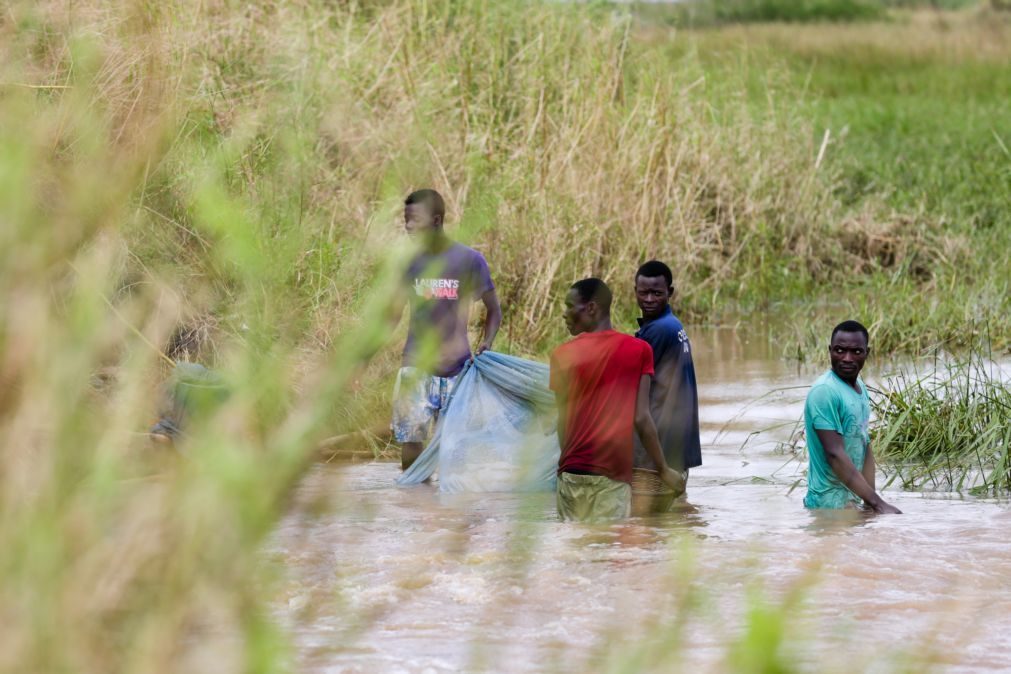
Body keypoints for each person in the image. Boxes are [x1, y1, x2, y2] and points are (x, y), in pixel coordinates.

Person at [549, 278, 684, 521]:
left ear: (591, 308)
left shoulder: (561, 355)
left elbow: (563, 421)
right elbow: (642, 419)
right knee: (609, 551)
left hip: (569, 475)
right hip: (610, 478)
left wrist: (566, 465)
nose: (564, 314)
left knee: (574, 554)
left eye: (570, 306)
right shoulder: (639, 350)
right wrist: (663, 469)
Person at [389, 189, 502, 470]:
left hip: (458, 370)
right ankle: (414, 505)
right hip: (415, 367)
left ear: (437, 221)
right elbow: (391, 317)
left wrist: (486, 343)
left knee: (457, 454)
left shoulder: (469, 261)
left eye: (415, 219)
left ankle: (450, 514)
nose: (409, 227)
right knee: (411, 448)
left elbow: (494, 310)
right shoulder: (408, 262)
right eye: (406, 220)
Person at [803, 320, 901, 513]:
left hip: (852, 503)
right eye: (840, 351)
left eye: (856, 352)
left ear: (867, 353)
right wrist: (878, 503)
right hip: (828, 507)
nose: (847, 358)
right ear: (830, 350)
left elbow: (864, 444)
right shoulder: (825, 391)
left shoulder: (860, 388)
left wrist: (869, 502)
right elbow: (834, 454)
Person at [632, 260, 701, 498]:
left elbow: (633, 391)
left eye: (656, 293)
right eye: (643, 293)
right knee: (672, 522)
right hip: (674, 447)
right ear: (635, 292)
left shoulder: (659, 331)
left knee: (648, 525)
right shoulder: (673, 326)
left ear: (670, 293)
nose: (649, 299)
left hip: (657, 451)